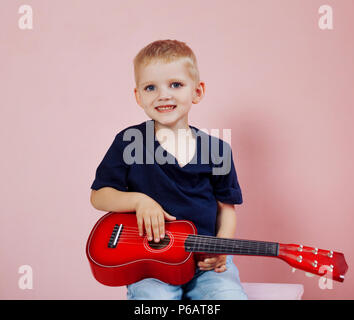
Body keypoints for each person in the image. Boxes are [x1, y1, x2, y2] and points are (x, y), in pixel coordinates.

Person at [90, 39, 248, 300]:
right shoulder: (128, 141)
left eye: (176, 84)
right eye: (151, 87)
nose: (163, 95)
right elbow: (99, 195)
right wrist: (139, 201)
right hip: (152, 263)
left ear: (197, 91)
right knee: (154, 300)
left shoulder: (218, 150)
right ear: (138, 96)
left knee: (228, 296)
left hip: (204, 264)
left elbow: (226, 209)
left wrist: (222, 248)